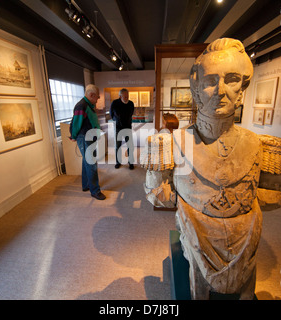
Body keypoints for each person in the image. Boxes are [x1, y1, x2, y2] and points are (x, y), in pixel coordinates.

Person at [143, 38, 266, 299]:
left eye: (231, 79)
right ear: (197, 91)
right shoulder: (174, 143)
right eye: (210, 81)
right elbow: (159, 196)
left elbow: (270, 197)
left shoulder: (256, 145)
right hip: (196, 229)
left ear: (242, 89)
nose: (220, 90)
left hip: (245, 232)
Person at [70, 84, 106, 200]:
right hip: (85, 138)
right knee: (91, 164)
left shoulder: (88, 105)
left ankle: (86, 185)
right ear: (91, 95)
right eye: (97, 97)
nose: (98, 99)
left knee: (86, 162)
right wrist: (73, 136)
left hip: (89, 137)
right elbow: (76, 123)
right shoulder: (81, 106)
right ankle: (95, 191)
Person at [110, 88, 135, 169]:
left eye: (127, 96)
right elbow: (111, 114)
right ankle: (118, 162)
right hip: (118, 128)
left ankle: (130, 162)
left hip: (127, 127)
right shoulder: (115, 103)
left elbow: (131, 114)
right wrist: (117, 121)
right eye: (125, 97)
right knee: (118, 146)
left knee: (130, 145)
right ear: (120, 97)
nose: (127, 98)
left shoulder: (131, 103)